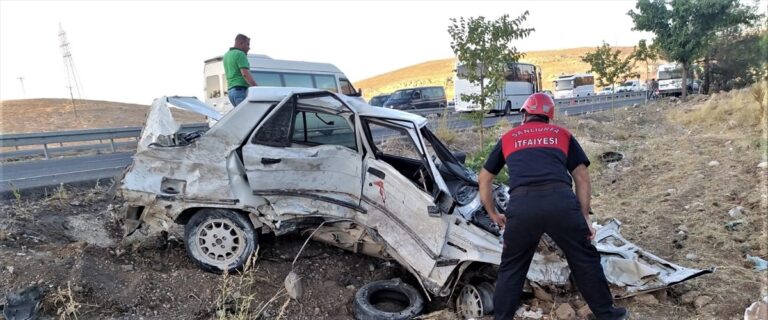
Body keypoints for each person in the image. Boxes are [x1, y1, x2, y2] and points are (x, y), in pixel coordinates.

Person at [478, 93, 628, 320]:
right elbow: (582, 176)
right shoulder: (562, 135)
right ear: (549, 116)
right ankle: (607, 314)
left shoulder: (509, 138)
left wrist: (493, 213)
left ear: (525, 114)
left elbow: (485, 178)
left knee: (512, 266)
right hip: (561, 202)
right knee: (584, 258)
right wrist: (584, 216)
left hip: (523, 206)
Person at [224, 33, 257, 107]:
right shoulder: (240, 54)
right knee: (248, 116)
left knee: (241, 116)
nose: (249, 48)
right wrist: (256, 88)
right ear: (241, 43)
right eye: (247, 44)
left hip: (231, 92)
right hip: (240, 91)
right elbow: (245, 74)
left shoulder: (226, 55)